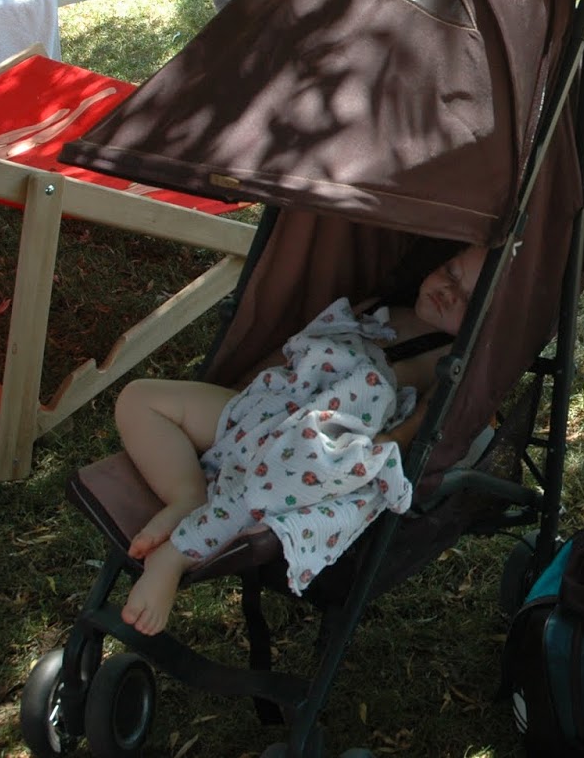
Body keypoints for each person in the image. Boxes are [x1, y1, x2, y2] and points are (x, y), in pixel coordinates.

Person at [113, 244, 488, 636]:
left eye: (469, 299)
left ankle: (174, 557)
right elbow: (292, 351)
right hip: (265, 405)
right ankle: (187, 495)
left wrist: (379, 446)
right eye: (451, 272)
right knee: (139, 399)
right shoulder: (380, 305)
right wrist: (243, 390)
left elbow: (420, 421)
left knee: (271, 482)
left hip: (315, 438)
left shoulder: (449, 357)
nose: (449, 291)